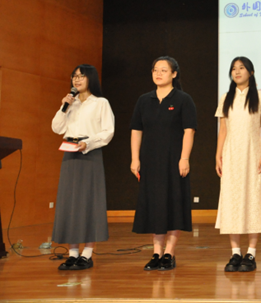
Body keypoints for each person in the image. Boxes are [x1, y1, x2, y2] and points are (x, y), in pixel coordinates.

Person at [130, 56, 197, 271]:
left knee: (174, 204)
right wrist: (135, 158)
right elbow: (136, 131)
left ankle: (169, 253)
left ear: (174, 74)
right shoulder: (144, 100)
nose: (158, 74)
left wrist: (184, 158)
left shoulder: (183, 99)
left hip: (174, 161)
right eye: (155, 70)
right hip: (150, 161)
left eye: (164, 70)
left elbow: (189, 131)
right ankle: (156, 252)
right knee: (155, 205)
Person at [51, 64, 115, 270]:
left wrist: (89, 143)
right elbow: (56, 128)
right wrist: (64, 107)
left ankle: (87, 254)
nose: (77, 80)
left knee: (89, 202)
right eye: (74, 76)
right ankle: (72, 253)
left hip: (90, 153)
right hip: (69, 154)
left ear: (91, 79)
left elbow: (108, 131)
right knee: (70, 202)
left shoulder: (101, 103)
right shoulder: (71, 103)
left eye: (81, 76)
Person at [215, 57, 261, 272]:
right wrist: (218, 155)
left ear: (251, 72)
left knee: (252, 199)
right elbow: (223, 129)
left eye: (242, 68)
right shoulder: (226, 98)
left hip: (252, 155)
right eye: (233, 69)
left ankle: (251, 253)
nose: (237, 72)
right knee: (231, 200)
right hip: (230, 156)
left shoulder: (260, 96)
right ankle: (235, 252)